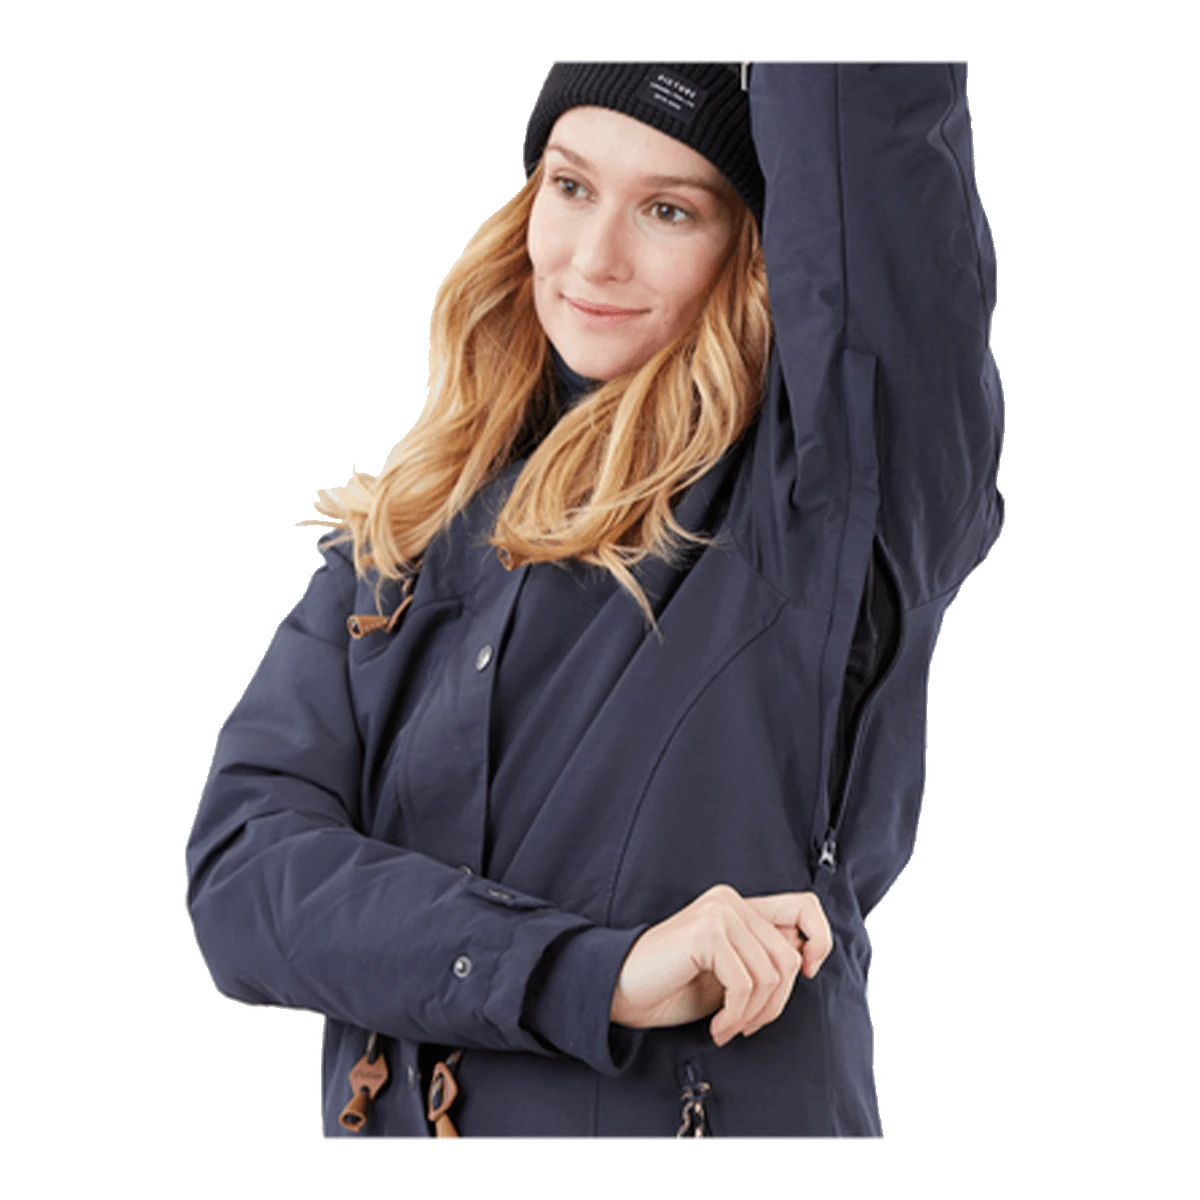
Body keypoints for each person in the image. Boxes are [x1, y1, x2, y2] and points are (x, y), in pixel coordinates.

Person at [185, 61, 1004, 1137]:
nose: (596, 257)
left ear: (752, 247)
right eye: (572, 187)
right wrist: (596, 973)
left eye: (669, 210)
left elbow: (871, 160)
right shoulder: (401, 538)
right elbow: (244, 878)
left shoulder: (816, 514)